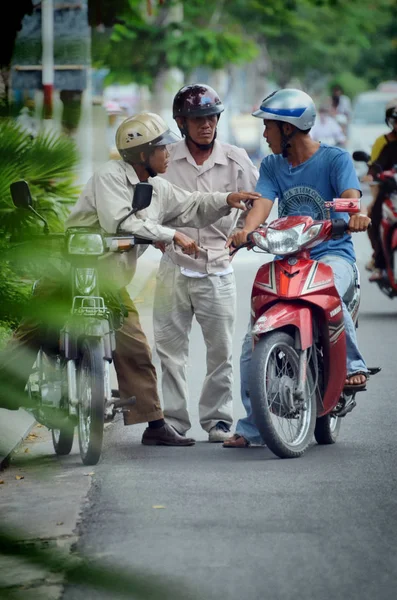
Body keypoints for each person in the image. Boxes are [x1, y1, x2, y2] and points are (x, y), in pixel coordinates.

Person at [0, 112, 260, 447]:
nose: (169, 154)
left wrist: (226, 199)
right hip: (69, 272)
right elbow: (120, 221)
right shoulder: (109, 177)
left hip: (107, 281)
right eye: (162, 149)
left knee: (135, 344)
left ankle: (154, 424)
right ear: (142, 154)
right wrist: (172, 235)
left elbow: (191, 203)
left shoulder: (156, 187)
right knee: (34, 326)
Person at [222, 88, 371, 448]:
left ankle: (352, 365)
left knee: (330, 288)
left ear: (288, 129)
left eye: (268, 127)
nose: (264, 135)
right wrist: (245, 232)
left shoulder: (335, 159)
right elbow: (262, 205)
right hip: (288, 258)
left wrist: (354, 216)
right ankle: (254, 428)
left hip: (332, 255)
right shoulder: (272, 165)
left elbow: (351, 198)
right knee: (250, 341)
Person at [153, 84, 259, 442]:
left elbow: (260, 202)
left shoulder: (235, 159)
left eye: (212, 117)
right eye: (198, 119)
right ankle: (175, 422)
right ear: (181, 122)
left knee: (221, 352)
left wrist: (243, 234)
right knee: (170, 350)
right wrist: (156, 235)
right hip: (173, 265)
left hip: (218, 266)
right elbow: (146, 204)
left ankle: (217, 421)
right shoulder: (164, 159)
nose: (206, 125)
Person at [364, 99, 397, 279]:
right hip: (388, 191)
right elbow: (373, 170)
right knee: (371, 215)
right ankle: (379, 261)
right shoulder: (382, 142)